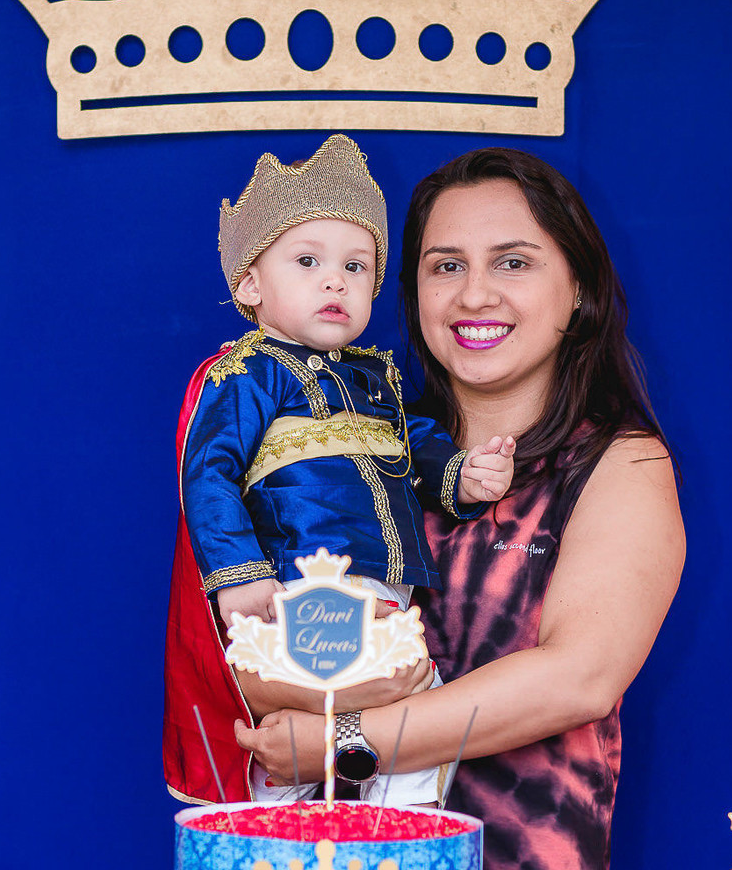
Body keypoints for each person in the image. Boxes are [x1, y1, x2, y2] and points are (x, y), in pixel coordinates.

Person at [234, 146, 685, 870]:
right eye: (445, 266)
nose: (475, 294)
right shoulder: (341, 453)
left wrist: (342, 740)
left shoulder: (617, 465)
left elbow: (576, 678)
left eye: (512, 262)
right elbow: (251, 638)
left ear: (577, 288)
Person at [166, 134, 515, 808]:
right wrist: (239, 576)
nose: (335, 280)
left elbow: (418, 447)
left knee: (396, 709)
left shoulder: (376, 379)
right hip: (303, 585)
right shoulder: (247, 374)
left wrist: (462, 478)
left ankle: (384, 833)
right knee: (401, 697)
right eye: (307, 261)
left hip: (386, 597)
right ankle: (290, 831)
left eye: (357, 267)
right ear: (249, 283)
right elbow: (207, 474)